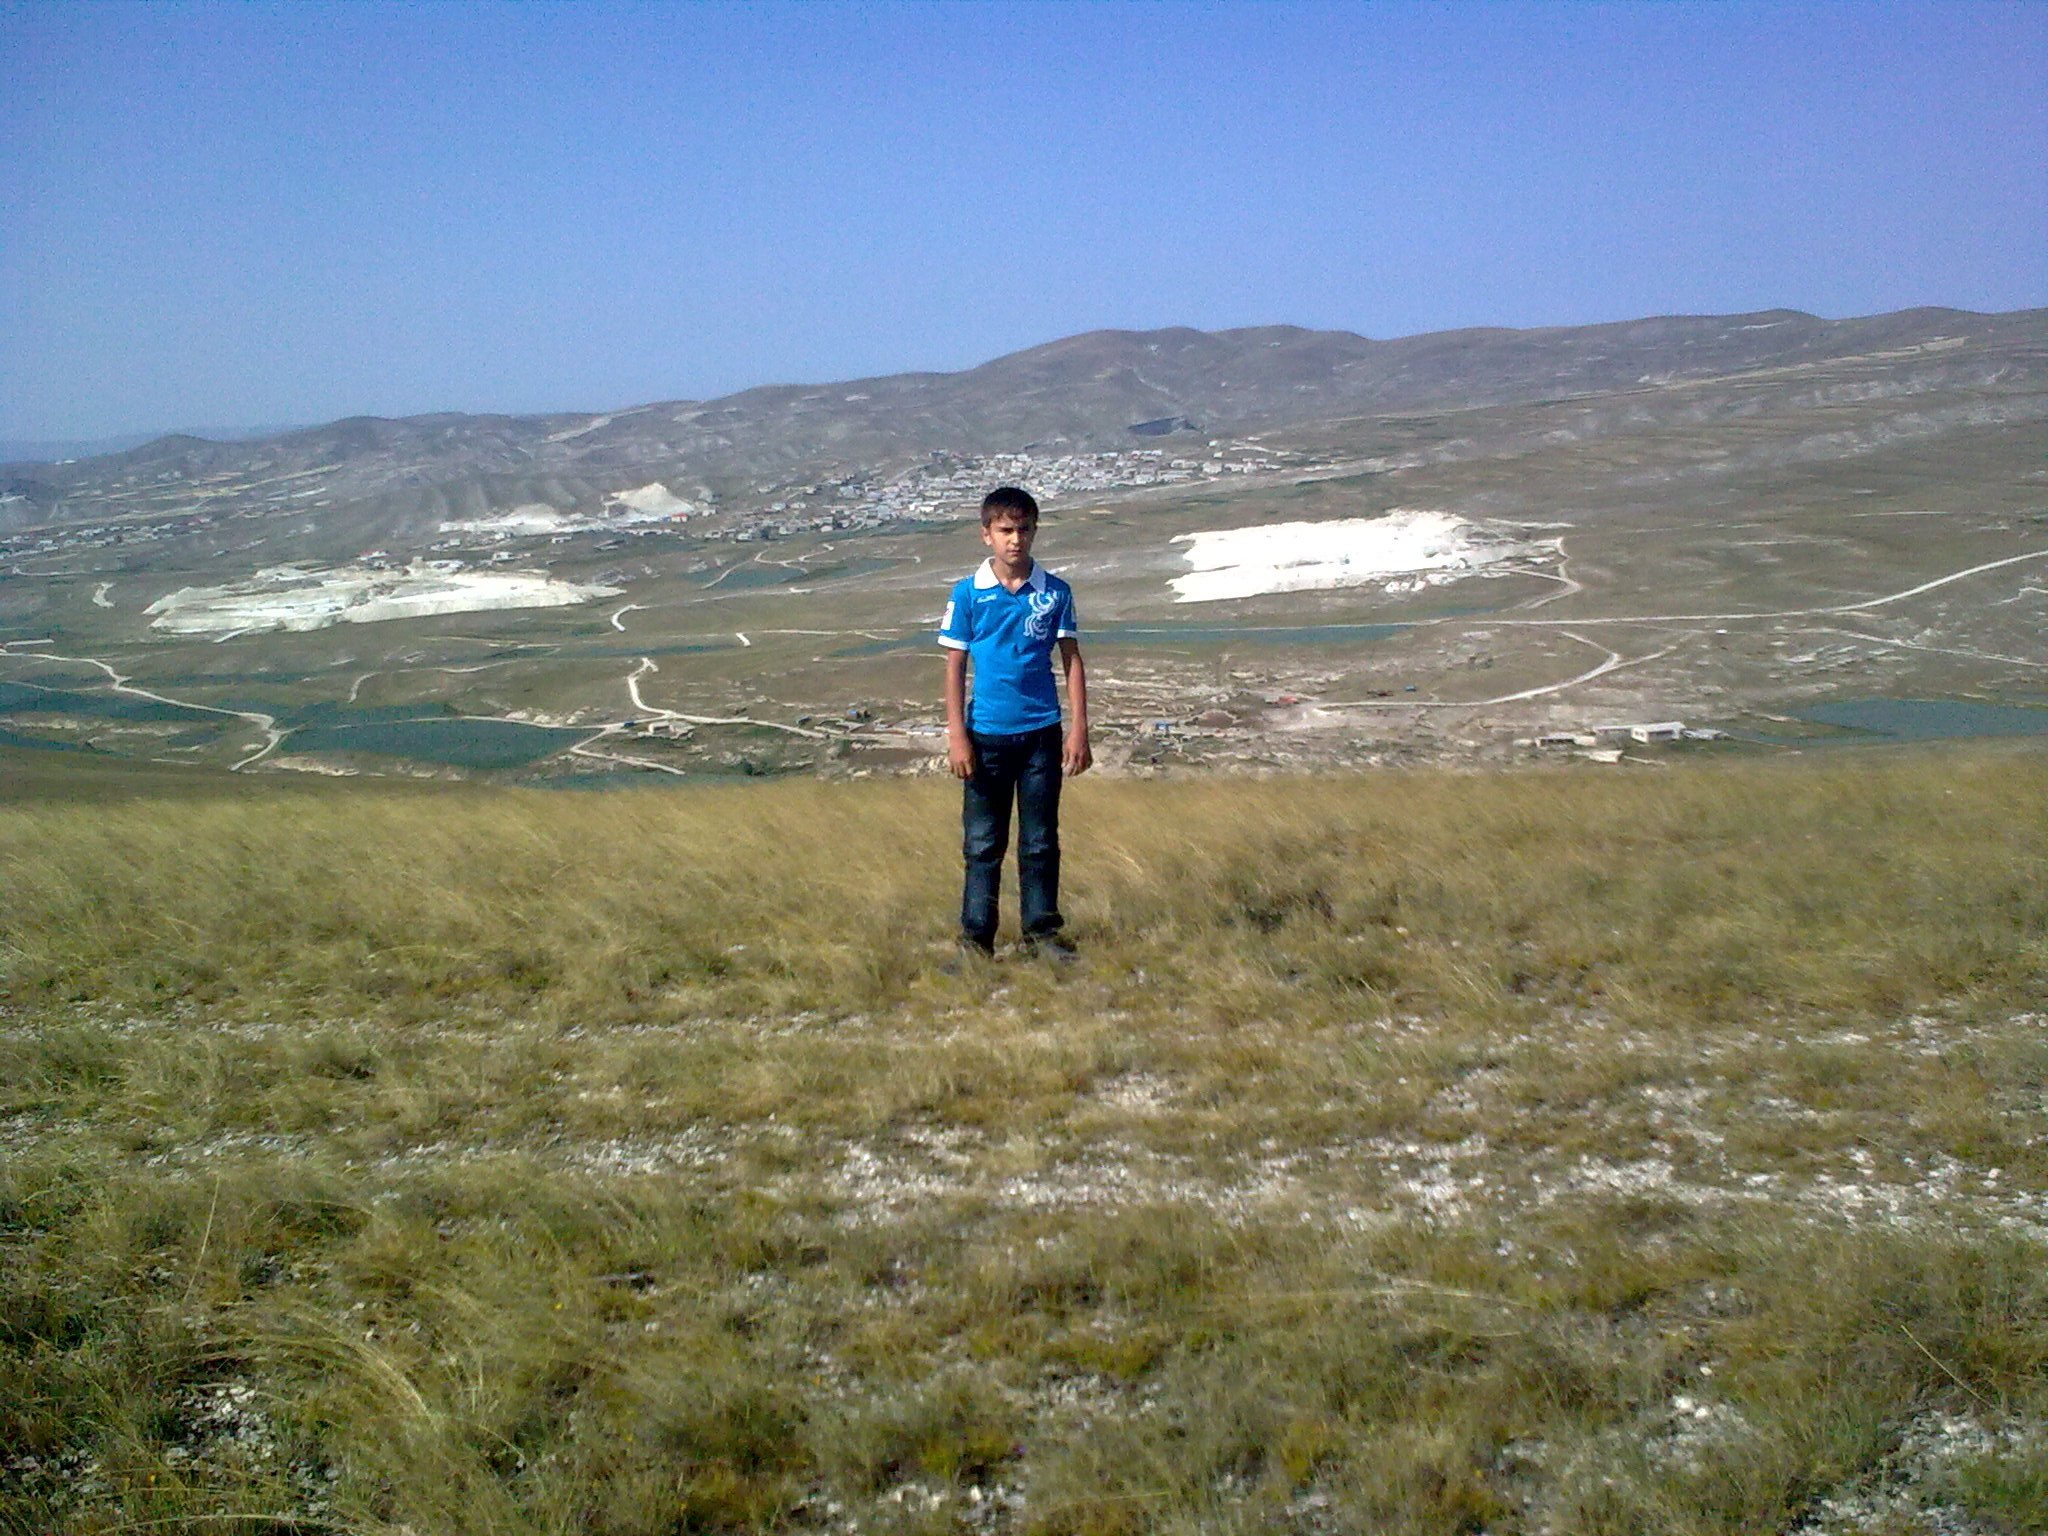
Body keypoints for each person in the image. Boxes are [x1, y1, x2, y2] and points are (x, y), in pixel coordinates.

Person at [938, 485, 1091, 956]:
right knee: (982, 844)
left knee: (1040, 841)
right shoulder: (968, 594)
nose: (1015, 539)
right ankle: (976, 940)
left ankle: (1042, 933)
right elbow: (954, 666)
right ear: (986, 534)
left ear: (1035, 531)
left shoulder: (1055, 592)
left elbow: (1071, 659)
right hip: (985, 736)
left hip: (1041, 734)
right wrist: (957, 736)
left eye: (1024, 529)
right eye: (1005, 530)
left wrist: (1079, 729)